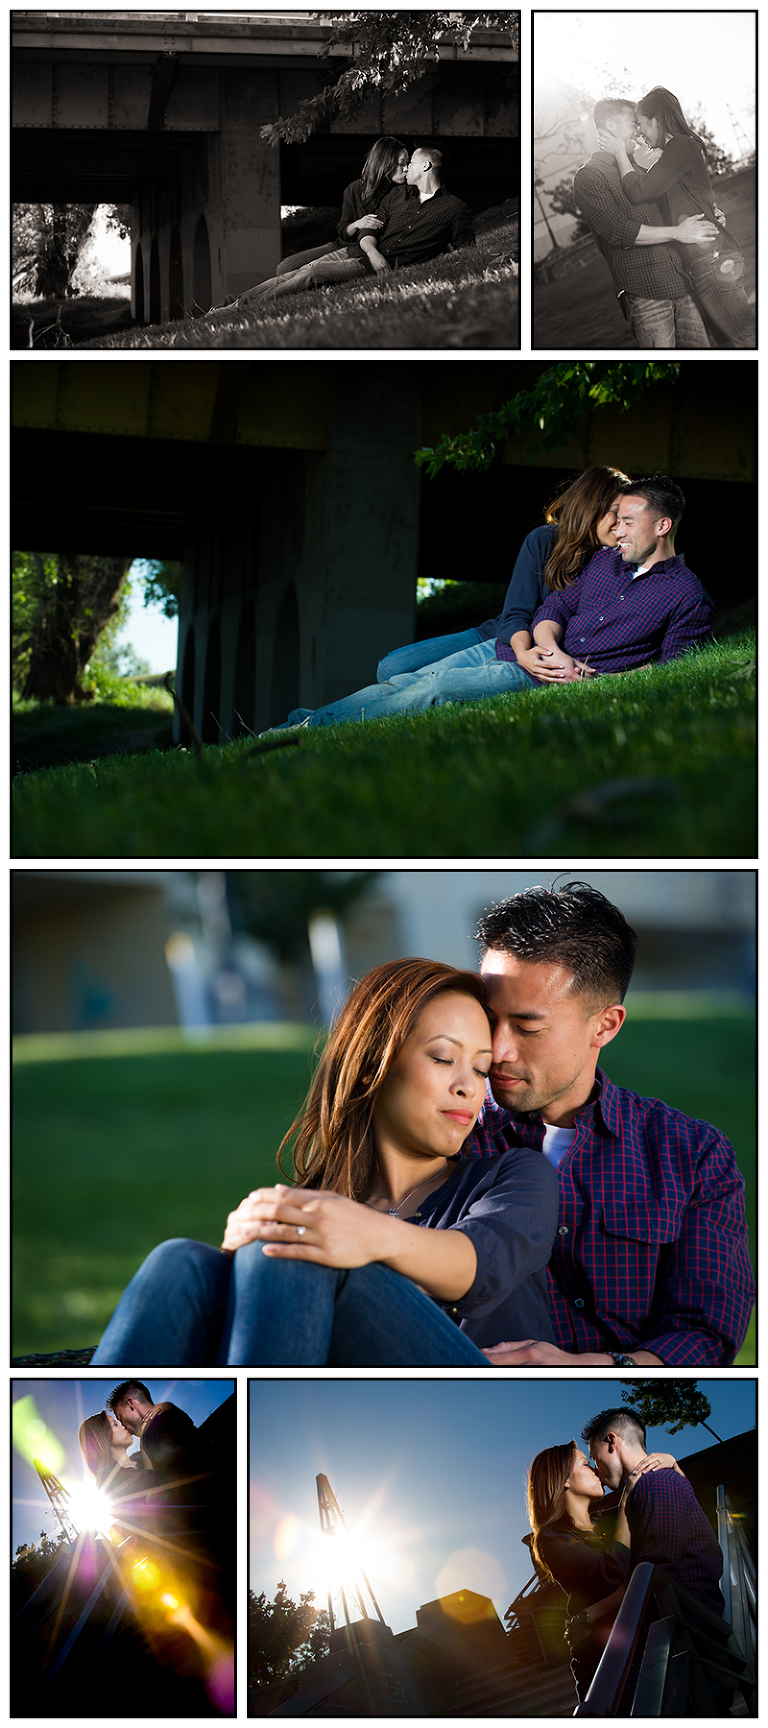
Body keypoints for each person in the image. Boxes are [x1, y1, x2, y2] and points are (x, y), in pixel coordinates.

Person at [90, 960, 558, 1367]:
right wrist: (236, 1274)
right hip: (340, 1406)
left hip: (464, 1401)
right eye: (442, 1057)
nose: (470, 1088)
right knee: (182, 1261)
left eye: (480, 1068)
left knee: (297, 1251)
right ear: (375, 1061)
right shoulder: (323, 1209)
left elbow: (480, 1263)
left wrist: (363, 1233)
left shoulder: (515, 1176)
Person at [464, 880, 755, 1366]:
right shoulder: (448, 1135)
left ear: (606, 1025)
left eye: (528, 1026)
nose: (498, 1049)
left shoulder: (693, 1153)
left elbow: (706, 1333)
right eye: (488, 1018)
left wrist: (576, 1368)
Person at [268, 474, 713, 731]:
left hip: (547, 681)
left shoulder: (688, 596)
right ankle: (305, 723)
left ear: (662, 526)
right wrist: (548, 650)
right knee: (401, 680)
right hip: (522, 654)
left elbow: (675, 672)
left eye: (626, 522)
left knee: (435, 688)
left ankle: (315, 727)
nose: (617, 531)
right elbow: (549, 610)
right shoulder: (602, 564)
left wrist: (591, 684)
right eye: (614, 520)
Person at [599, 88, 755, 349]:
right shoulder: (673, 155)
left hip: (713, 262)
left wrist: (618, 153)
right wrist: (712, 214)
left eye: (641, 124)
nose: (639, 133)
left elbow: (639, 190)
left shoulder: (681, 145)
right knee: (732, 345)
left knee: (745, 343)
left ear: (656, 121)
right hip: (704, 263)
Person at [527, 1439, 679, 1700]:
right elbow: (614, 1572)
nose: (596, 1470)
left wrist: (673, 1466)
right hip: (605, 1659)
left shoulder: (605, 1521)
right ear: (563, 1480)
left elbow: (655, 1564)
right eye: (585, 1464)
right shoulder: (551, 1538)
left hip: (646, 1641)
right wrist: (624, 1507)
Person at [236, 144, 473, 308]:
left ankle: (245, 307)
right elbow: (369, 230)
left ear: (425, 166)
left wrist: (436, 254)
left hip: (379, 267)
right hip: (363, 254)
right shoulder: (396, 195)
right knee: (290, 271)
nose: (406, 167)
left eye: (410, 163)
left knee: (312, 272)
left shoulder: (455, 209)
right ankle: (235, 305)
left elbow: (466, 252)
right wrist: (373, 251)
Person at [574, 97, 718, 347]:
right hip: (645, 294)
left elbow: (675, 213)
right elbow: (617, 231)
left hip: (682, 285)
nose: (639, 132)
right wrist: (678, 233)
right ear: (610, 126)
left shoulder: (639, 173)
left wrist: (709, 216)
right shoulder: (589, 177)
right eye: (633, 123)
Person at [583, 1406, 724, 1614]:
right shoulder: (653, 1483)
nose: (597, 1468)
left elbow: (656, 1573)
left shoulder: (655, 1483)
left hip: (685, 1624)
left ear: (612, 1442)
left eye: (595, 1457)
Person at [273, 137, 409, 280]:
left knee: (311, 270)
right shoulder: (355, 189)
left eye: (407, 163)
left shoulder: (401, 193)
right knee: (285, 267)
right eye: (401, 163)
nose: (406, 168)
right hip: (342, 244)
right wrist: (358, 224)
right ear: (385, 163)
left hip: (363, 249)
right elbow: (343, 230)